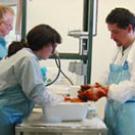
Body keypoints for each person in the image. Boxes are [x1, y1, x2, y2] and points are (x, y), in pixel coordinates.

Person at [78, 8, 135, 135]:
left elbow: (133, 87)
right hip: (113, 113)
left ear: (130, 28)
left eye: (115, 32)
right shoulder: (119, 49)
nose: (112, 37)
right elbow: (108, 73)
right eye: (110, 32)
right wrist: (95, 86)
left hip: (130, 117)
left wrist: (104, 91)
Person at [0, 24, 62, 135]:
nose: (53, 52)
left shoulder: (23, 55)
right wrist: (61, 102)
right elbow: (37, 93)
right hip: (5, 115)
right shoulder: (27, 59)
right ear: (45, 44)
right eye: (54, 46)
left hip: (7, 113)